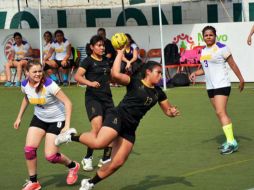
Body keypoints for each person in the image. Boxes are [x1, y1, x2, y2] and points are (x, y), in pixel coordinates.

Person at [55, 48, 180, 190]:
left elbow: (167, 111)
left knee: (117, 162)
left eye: (161, 73)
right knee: (99, 143)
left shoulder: (158, 92)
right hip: (118, 117)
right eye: (158, 72)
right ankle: (70, 136)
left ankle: (89, 183)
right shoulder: (134, 82)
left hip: (130, 128)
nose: (160, 76)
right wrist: (120, 53)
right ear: (148, 72)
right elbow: (114, 74)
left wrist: (172, 111)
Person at [14, 61, 80, 190]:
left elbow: (68, 103)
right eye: (34, 72)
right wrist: (19, 117)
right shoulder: (24, 84)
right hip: (39, 118)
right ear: (27, 73)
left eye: (40, 71)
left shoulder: (49, 84)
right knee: (29, 150)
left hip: (57, 120)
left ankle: (72, 166)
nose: (38, 74)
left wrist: (67, 125)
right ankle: (34, 182)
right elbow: (27, 98)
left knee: (51, 156)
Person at [189, 25, 245, 155]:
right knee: (219, 113)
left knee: (220, 112)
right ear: (203, 37)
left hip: (222, 84)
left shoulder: (222, 48)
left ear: (215, 36)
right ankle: (229, 140)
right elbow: (205, 68)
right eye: (206, 35)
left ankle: (232, 143)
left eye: (211, 35)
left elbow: (233, 64)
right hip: (210, 86)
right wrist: (195, 73)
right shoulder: (203, 51)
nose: (208, 37)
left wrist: (241, 79)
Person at [74, 35, 114, 171]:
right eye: (99, 45)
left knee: (112, 129)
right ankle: (87, 158)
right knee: (97, 129)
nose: (102, 47)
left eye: (103, 45)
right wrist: (90, 83)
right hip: (93, 98)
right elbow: (77, 76)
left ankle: (106, 158)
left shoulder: (107, 61)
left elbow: (111, 76)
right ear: (92, 47)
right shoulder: (87, 61)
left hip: (107, 98)